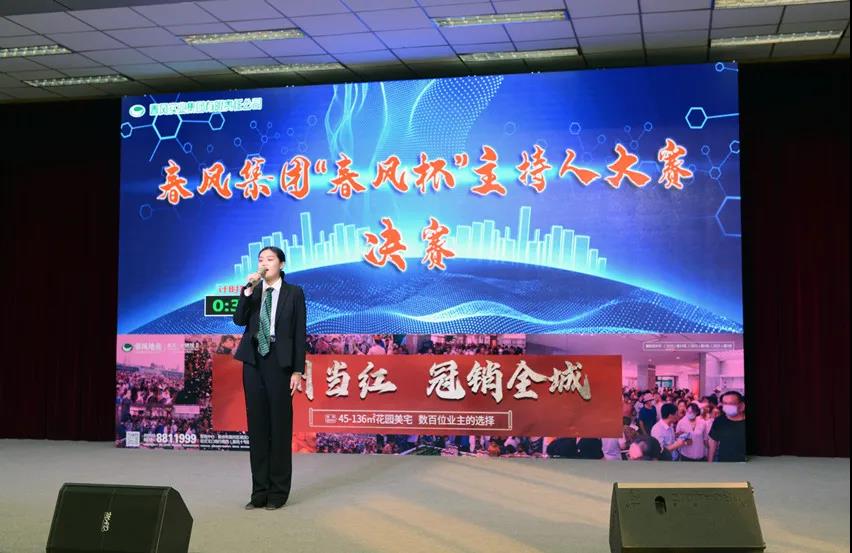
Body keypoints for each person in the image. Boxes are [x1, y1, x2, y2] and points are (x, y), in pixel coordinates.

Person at [233, 246, 307, 510]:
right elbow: (238, 320)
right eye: (261, 259)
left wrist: (297, 370)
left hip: (279, 360)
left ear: (281, 264)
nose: (264, 263)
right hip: (253, 361)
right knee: (258, 428)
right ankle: (259, 492)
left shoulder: (294, 293)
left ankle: (278, 493)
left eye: (270, 259)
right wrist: (247, 292)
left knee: (279, 427)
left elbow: (299, 333)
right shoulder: (253, 291)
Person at [708, 391, 747, 462]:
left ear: (741, 405)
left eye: (731, 403)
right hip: (724, 462)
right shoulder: (719, 421)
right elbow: (713, 444)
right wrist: (710, 462)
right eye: (725, 403)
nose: (728, 406)